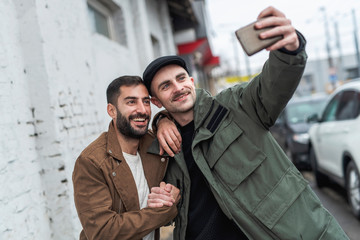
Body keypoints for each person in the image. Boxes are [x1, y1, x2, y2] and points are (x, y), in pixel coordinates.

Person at [143, 6, 349, 240]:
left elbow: (273, 86)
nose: (178, 87)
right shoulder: (162, 150)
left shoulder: (236, 105)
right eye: (166, 85)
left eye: (181, 79)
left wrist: (289, 50)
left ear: (191, 81)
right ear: (156, 101)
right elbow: (170, 212)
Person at [72, 76, 180, 240]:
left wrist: (163, 119)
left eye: (145, 102)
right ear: (112, 110)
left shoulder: (154, 145)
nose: (142, 110)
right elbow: (103, 232)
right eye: (131, 102)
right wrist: (166, 209)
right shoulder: (92, 162)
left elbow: (186, 115)